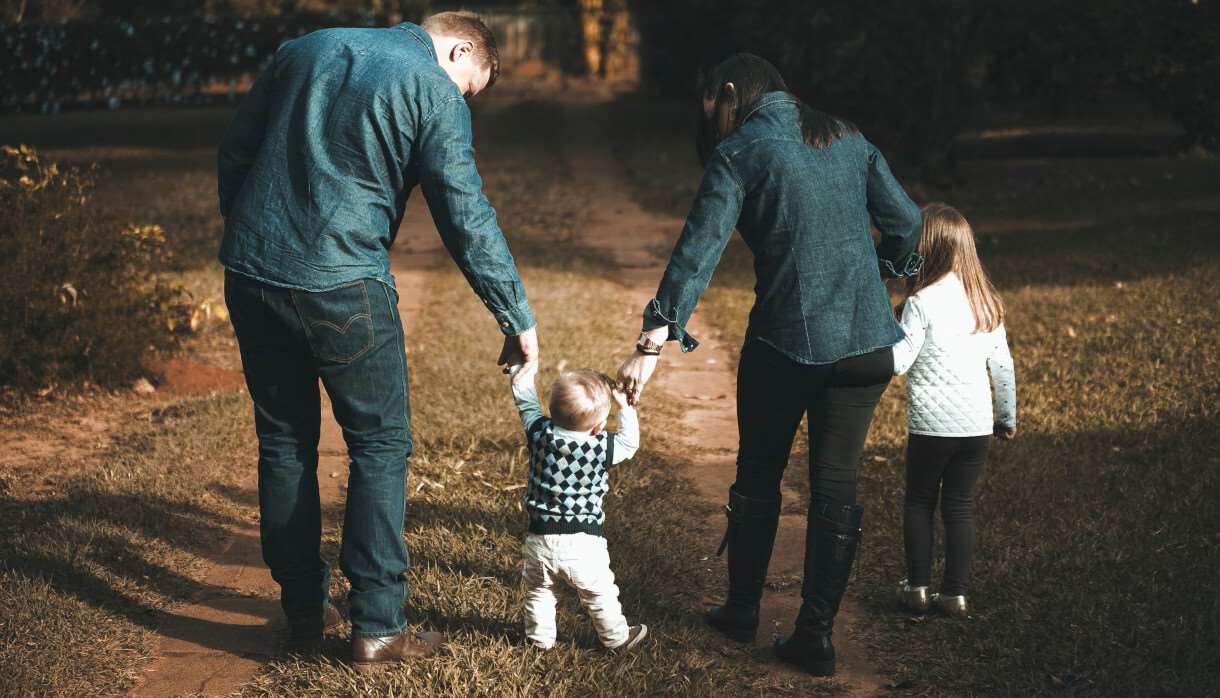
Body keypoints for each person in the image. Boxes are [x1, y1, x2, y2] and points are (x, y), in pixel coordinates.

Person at [217, 12, 539, 666]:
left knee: (284, 440)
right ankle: (379, 624)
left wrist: (253, 238)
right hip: (343, 285)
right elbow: (465, 215)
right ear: (456, 47)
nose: (462, 99)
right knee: (381, 443)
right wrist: (514, 313)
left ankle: (304, 610)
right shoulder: (433, 89)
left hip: (251, 274)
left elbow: (235, 151)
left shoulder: (302, 48)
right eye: (468, 86)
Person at [617, 54, 922, 676]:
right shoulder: (848, 136)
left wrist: (650, 347)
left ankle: (740, 610)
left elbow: (695, 256)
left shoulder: (742, 151)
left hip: (785, 346)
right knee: (837, 484)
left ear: (730, 94)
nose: (717, 126)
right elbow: (909, 226)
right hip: (866, 348)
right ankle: (815, 636)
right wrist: (882, 273)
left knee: (759, 473)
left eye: (716, 112)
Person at [891, 203, 1017, 619]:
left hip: (931, 428)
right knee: (960, 506)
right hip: (976, 427)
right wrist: (1006, 418)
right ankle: (955, 595)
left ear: (925, 249)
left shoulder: (921, 303)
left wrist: (882, 333)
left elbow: (899, 362)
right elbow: (1002, 366)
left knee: (919, 502)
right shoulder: (986, 304)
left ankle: (918, 589)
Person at [510, 366, 648, 650]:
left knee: (539, 591)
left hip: (539, 539)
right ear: (597, 427)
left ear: (553, 410)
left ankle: (539, 641)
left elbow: (525, 402)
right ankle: (617, 639)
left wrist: (520, 370)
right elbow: (630, 443)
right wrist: (625, 407)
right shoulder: (601, 447)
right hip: (584, 543)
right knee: (599, 594)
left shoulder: (539, 434)